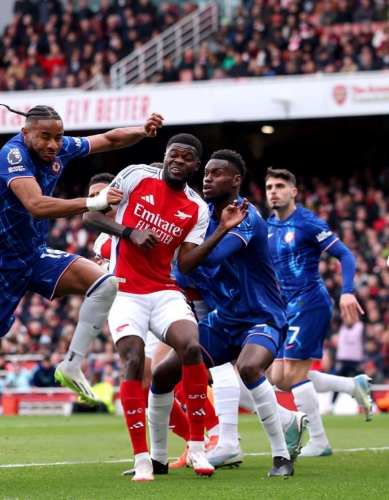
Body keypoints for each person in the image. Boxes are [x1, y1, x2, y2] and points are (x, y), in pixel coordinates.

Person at [0, 105, 164, 457]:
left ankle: (71, 364)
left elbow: (107, 138)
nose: (54, 144)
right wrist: (94, 200)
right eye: (46, 137)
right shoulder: (13, 153)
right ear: (27, 133)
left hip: (35, 255)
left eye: (59, 137)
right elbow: (36, 205)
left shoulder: (57, 148)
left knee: (105, 283)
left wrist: (143, 130)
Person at [83, 135, 244, 481]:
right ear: (166, 155)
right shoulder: (136, 175)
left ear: (195, 165)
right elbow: (90, 216)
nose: (179, 161)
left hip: (164, 291)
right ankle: (143, 457)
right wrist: (129, 232)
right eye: (174, 154)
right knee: (133, 360)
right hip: (124, 290)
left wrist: (222, 231)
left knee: (191, 346)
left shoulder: (197, 208)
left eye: (187, 158)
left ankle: (199, 448)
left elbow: (185, 264)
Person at [150, 150, 303, 477]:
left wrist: (183, 253)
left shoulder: (246, 216)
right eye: (206, 173)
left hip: (262, 317)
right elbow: (183, 274)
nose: (208, 178)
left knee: (248, 367)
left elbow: (213, 258)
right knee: (162, 374)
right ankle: (157, 459)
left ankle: (281, 457)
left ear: (236, 181)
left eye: (217, 173)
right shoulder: (200, 217)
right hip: (223, 321)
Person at [89, 171, 216, 472]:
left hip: (159, 300)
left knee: (163, 371)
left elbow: (181, 256)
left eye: (105, 193)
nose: (102, 200)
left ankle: (206, 435)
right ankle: (161, 453)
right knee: (149, 380)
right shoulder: (100, 242)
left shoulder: (147, 208)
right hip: (127, 302)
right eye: (96, 196)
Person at [264, 168, 372, 456]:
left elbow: (345, 255)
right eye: (269, 187)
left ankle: (320, 441)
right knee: (278, 377)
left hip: (309, 302)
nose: (273, 191)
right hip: (284, 307)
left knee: (295, 375)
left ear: (293, 192)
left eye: (280, 186)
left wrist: (347, 292)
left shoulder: (307, 222)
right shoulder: (268, 226)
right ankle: (351, 386)